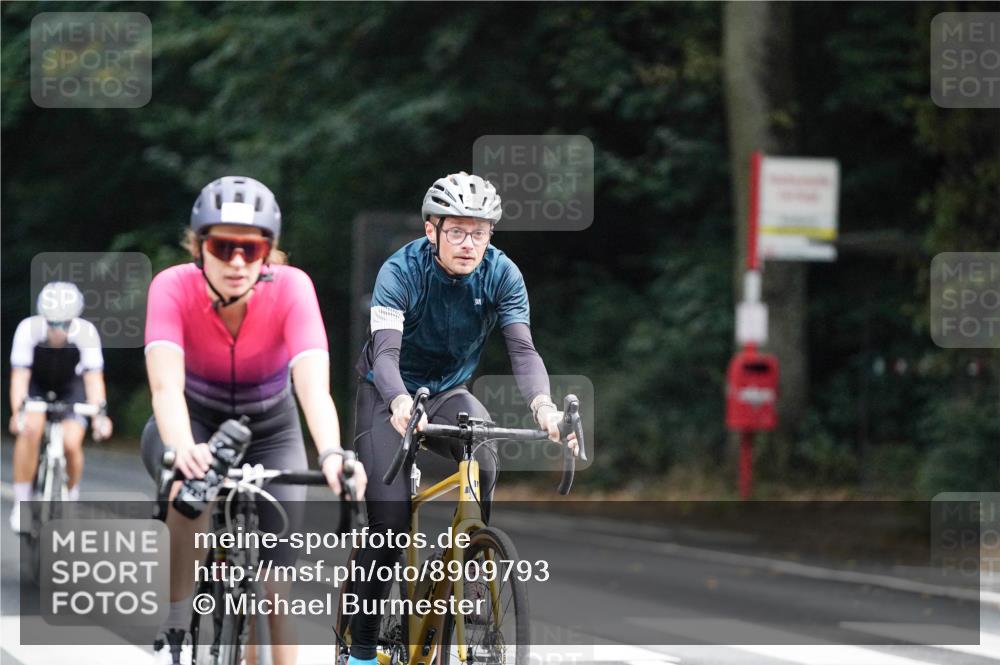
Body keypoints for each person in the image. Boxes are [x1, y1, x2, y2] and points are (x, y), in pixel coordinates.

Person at [349, 171, 577, 665]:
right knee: (389, 525)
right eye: (456, 231)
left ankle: (471, 560)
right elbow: (385, 354)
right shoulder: (400, 271)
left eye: (480, 232)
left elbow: (523, 350)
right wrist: (399, 401)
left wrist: (544, 406)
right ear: (431, 230)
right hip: (387, 394)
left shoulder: (502, 273)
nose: (469, 243)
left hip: (449, 392)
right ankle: (361, 650)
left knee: (485, 456)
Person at [141, 176, 368, 665]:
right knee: (189, 489)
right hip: (193, 421)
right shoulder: (172, 287)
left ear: (268, 251)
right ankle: (177, 621)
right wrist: (184, 447)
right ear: (199, 248)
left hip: (271, 432)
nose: (238, 262)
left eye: (252, 248)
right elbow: (165, 387)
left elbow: (313, 388)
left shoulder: (292, 288)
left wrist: (332, 452)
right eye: (223, 247)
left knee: (274, 599)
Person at [8, 281, 113, 532]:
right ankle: (22, 503)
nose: (57, 330)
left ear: (74, 319)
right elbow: (20, 378)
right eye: (52, 323)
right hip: (37, 386)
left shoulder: (86, 333)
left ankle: (71, 497)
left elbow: (93, 380)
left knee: (71, 443)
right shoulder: (28, 330)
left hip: (70, 387)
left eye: (64, 324)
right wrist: (18, 414)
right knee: (30, 430)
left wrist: (100, 416)